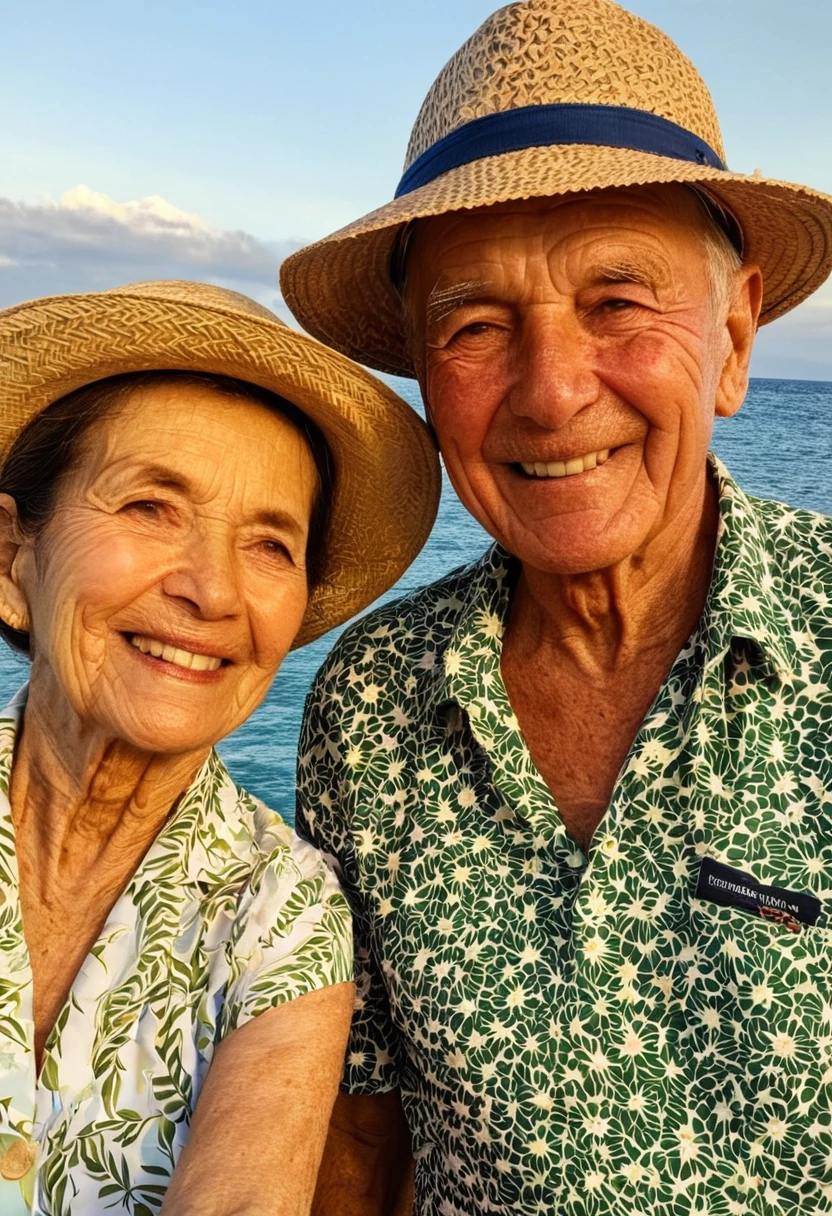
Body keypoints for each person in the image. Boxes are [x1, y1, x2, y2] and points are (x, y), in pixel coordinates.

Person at [280, 0, 832, 1212]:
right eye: (474, 326)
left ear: (733, 335)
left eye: (617, 300)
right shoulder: (368, 705)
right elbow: (361, 1148)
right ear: (424, 378)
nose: (548, 390)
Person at [0, 279, 440, 1215]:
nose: (212, 591)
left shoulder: (282, 917)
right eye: (152, 506)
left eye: (272, 545)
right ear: (12, 560)